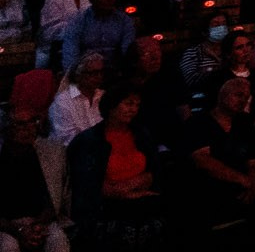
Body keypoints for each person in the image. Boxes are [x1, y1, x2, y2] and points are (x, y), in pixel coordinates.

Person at [65, 87, 158, 235]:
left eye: (137, 105)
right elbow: (87, 184)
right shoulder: (89, 141)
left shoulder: (141, 134)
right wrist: (125, 193)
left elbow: (152, 171)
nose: (133, 109)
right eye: (129, 104)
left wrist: (132, 186)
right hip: (103, 205)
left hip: (140, 195)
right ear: (112, 106)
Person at [180, 74, 255, 220]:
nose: (243, 100)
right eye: (238, 95)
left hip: (242, 190)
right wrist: (241, 179)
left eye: (246, 97)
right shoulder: (199, 122)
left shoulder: (245, 124)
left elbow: (253, 162)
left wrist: (253, 185)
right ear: (222, 95)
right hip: (208, 190)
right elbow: (203, 160)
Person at [0, 111, 67, 252]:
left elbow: (56, 198)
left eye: (33, 122)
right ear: (6, 128)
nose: (29, 128)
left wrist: (38, 224)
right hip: (5, 224)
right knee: (8, 246)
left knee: (58, 240)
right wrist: (18, 229)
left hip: (41, 220)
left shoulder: (51, 152)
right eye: (21, 124)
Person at [44, 58, 104, 148]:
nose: (99, 77)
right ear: (78, 75)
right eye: (93, 73)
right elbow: (67, 141)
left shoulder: (103, 96)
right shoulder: (62, 102)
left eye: (101, 72)